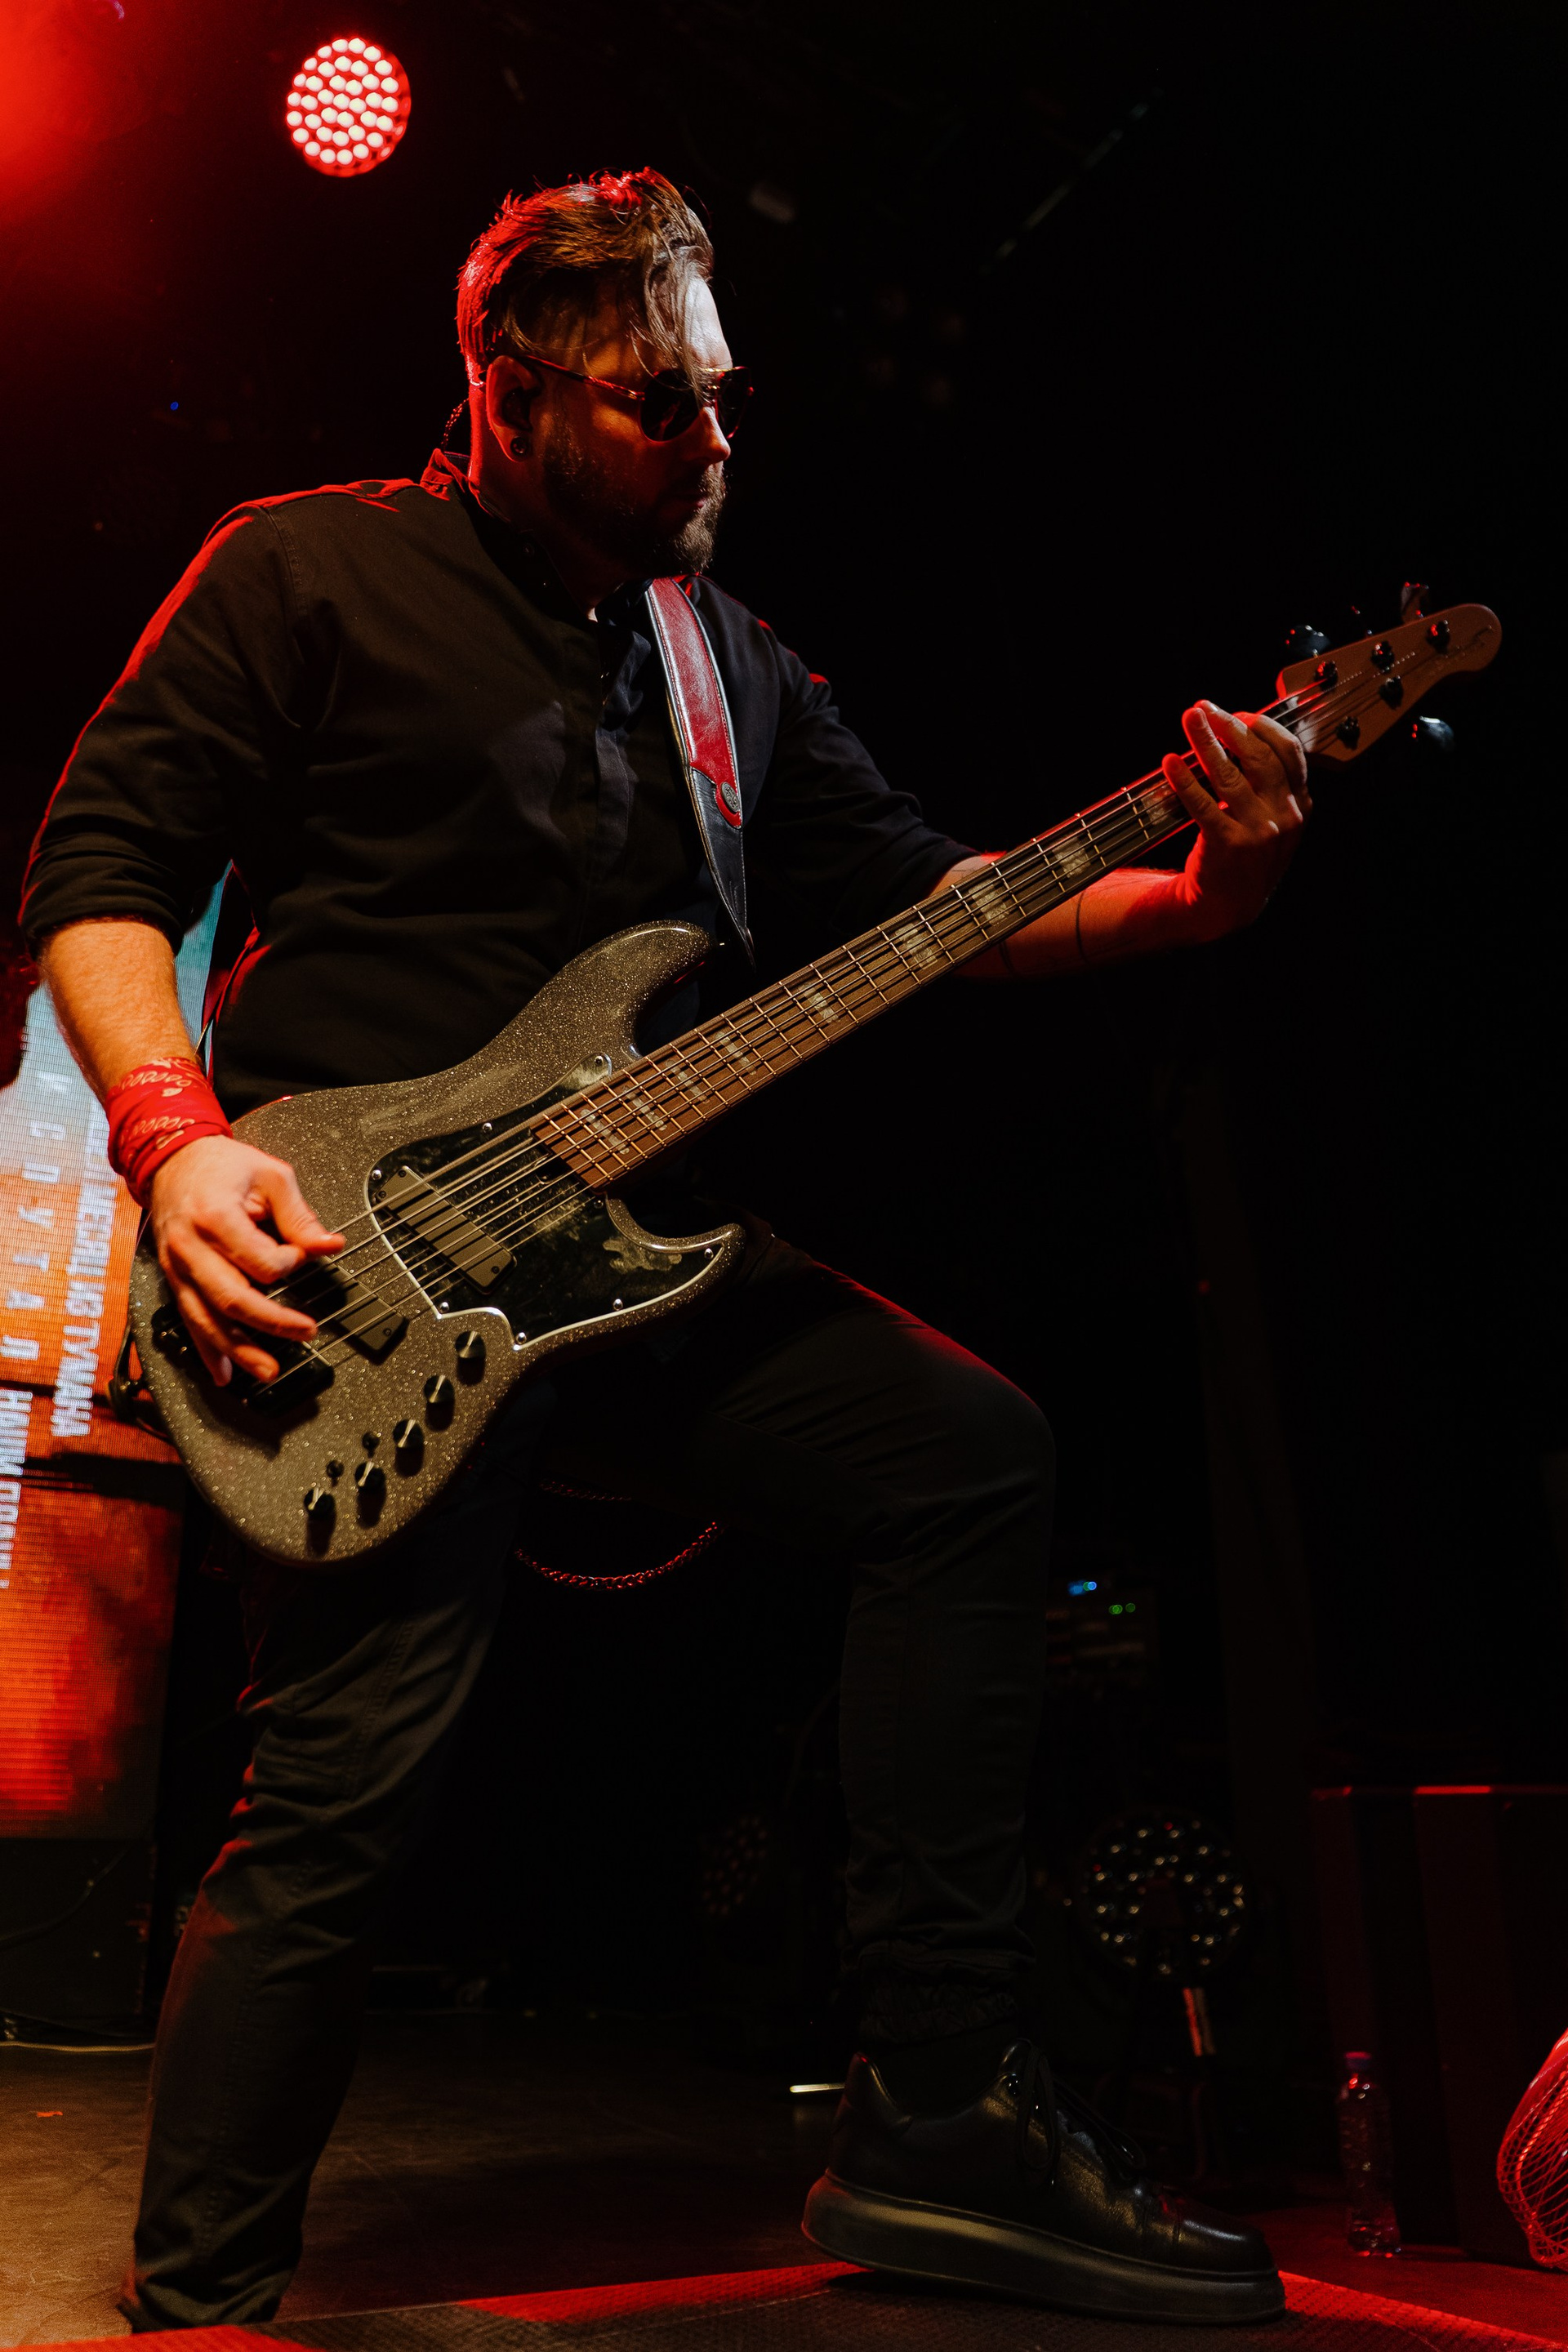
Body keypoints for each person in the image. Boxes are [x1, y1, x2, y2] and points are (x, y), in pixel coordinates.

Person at [22, 169, 1309, 2330]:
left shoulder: (731, 666)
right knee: (341, 1788)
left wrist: (1191, 898)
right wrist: (173, 1142)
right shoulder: (307, 567)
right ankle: (202, 2297)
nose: (712, 442)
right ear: (504, 393)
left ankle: (934, 2109)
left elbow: (935, 907)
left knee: (967, 1458)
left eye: (722, 397)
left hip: (638, 1260)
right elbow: (100, 866)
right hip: (360, 1275)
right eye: (655, 404)